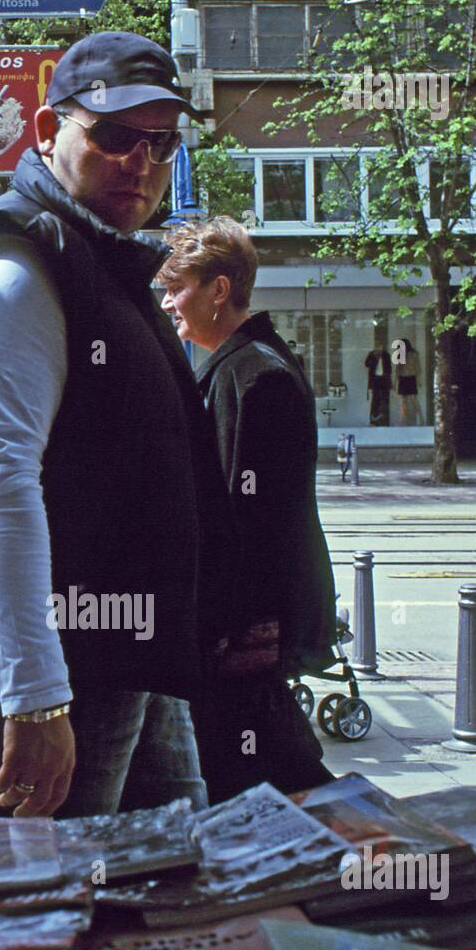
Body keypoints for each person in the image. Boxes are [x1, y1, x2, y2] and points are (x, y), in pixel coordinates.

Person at [0, 31, 233, 819]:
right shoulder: (12, 269)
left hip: (130, 661)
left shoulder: (101, 258)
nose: (142, 162)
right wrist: (34, 700)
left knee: (167, 883)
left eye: (161, 143)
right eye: (115, 135)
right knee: (55, 908)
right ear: (46, 131)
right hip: (65, 681)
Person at [160, 216, 337, 801]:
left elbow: (251, 523)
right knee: (259, 768)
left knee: (266, 775)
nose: (167, 303)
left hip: (244, 631)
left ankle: (361, 854)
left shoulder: (254, 377)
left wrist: (232, 630)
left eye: (176, 287)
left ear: (218, 289)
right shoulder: (238, 368)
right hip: (244, 629)